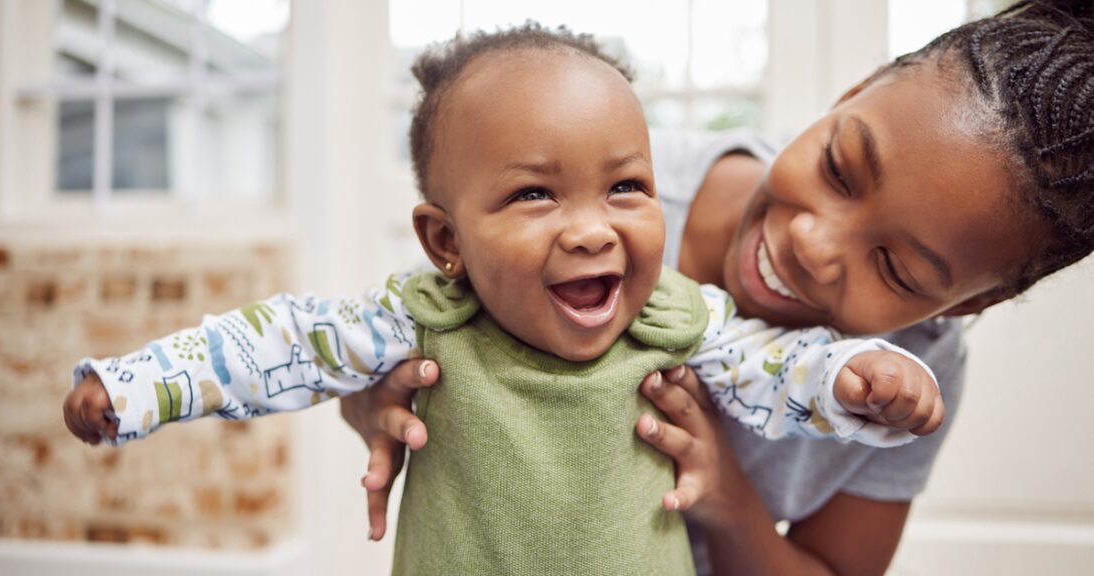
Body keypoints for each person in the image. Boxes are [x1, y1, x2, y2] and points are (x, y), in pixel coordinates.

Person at [62, 24, 946, 576]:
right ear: (446, 241)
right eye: (535, 196)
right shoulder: (418, 318)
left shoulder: (677, 317)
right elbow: (274, 345)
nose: (593, 230)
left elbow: (778, 369)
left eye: (626, 187)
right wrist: (137, 387)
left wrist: (863, 376)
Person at [343, 1, 1094, 574]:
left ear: (965, 305)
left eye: (895, 269)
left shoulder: (909, 374)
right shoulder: (585, 195)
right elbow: (400, 342)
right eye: (838, 168)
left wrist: (727, 500)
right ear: (852, 93)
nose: (811, 242)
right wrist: (375, 399)